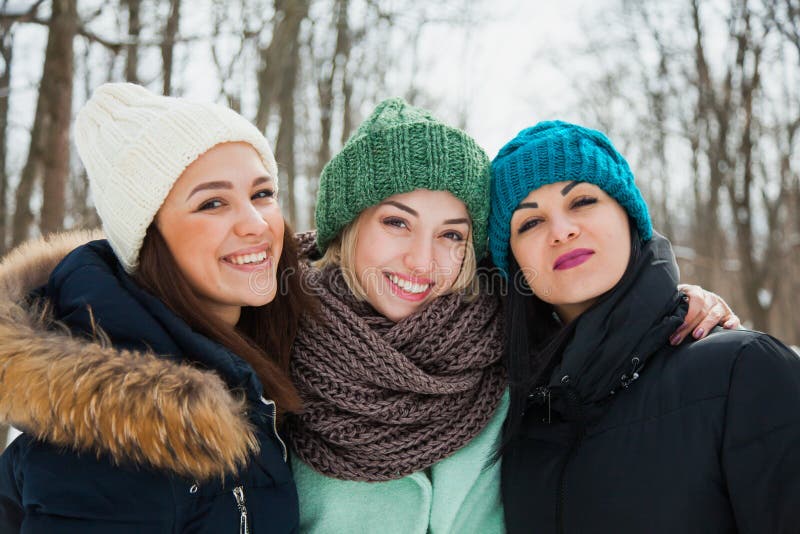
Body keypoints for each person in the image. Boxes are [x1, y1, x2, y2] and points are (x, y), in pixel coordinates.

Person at [285, 99, 739, 533]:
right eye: (397, 223)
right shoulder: (275, 345)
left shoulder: (514, 343)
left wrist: (671, 307)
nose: (422, 262)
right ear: (346, 225)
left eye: (451, 234)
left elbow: (605, 325)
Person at [0, 83, 313, 532]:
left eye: (261, 193)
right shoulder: (115, 438)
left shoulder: (257, 358)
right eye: (213, 203)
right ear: (149, 238)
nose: (256, 223)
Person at [489, 120, 800, 533]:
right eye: (529, 223)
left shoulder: (742, 373)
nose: (562, 231)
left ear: (629, 215)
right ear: (512, 264)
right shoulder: (510, 413)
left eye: (582, 201)